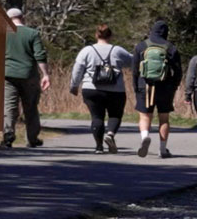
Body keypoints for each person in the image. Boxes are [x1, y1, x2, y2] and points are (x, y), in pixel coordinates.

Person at [69, 25, 133, 153]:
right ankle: (110, 134)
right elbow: (134, 62)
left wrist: (74, 85)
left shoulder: (87, 50)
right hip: (116, 90)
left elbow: (77, 69)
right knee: (115, 115)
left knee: (97, 116)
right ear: (110, 36)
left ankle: (98, 146)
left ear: (96, 35)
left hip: (92, 88)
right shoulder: (118, 50)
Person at [131, 19, 184, 159]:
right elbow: (178, 71)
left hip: (145, 85)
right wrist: (174, 86)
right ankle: (162, 149)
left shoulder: (141, 46)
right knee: (164, 118)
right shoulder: (170, 47)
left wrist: (136, 86)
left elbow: (135, 70)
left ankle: (145, 137)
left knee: (145, 116)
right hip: (165, 87)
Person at [2, 6, 48, 148]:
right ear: (22, 18)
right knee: (31, 107)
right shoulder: (32, 33)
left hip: (8, 74)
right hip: (28, 74)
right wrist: (45, 74)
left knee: (9, 106)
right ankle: (32, 138)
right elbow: (39, 55)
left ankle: (8, 134)